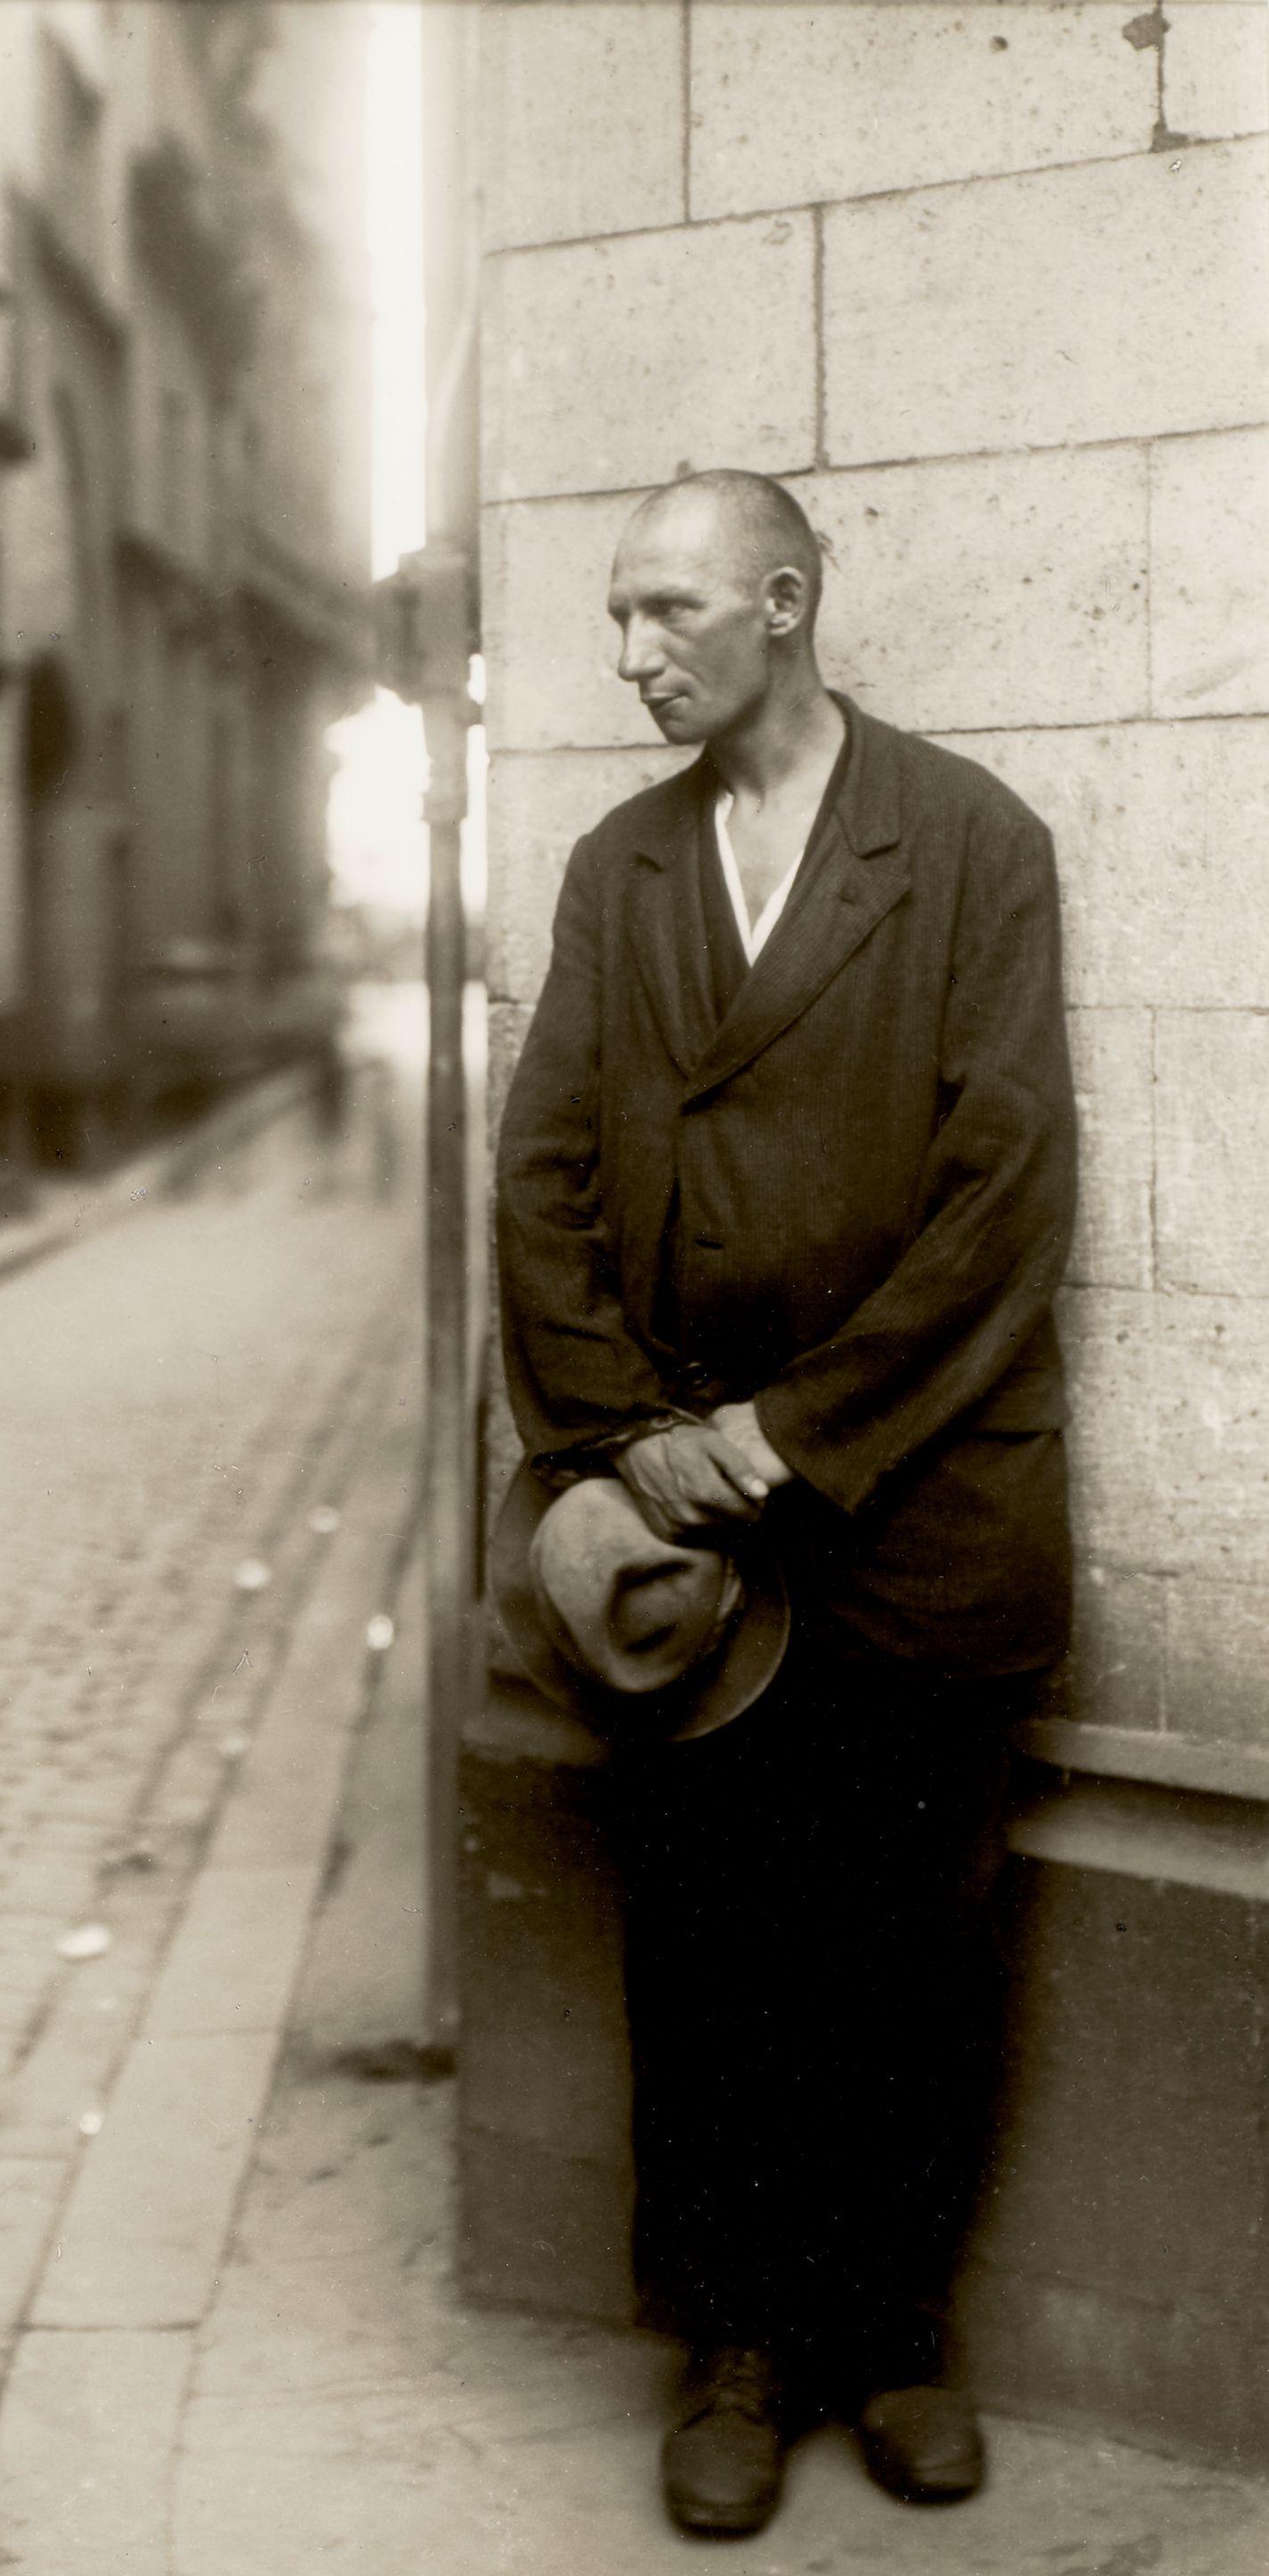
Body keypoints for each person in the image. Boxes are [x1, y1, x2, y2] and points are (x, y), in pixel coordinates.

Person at [494, 470, 1076, 2539]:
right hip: (686, 1529)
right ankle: (733, 2348)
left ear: (781, 601)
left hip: (911, 1508)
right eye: (614, 617)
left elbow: (1006, 1195)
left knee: (915, 1953)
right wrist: (630, 1435)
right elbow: (542, 1179)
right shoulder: (619, 866)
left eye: (664, 612)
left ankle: (898, 2337)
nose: (627, 656)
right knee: (711, 1949)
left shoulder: (971, 844)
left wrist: (796, 1433)